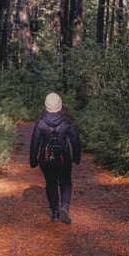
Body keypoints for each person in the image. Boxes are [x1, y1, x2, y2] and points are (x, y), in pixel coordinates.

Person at [30, 92, 81, 224]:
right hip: (64, 158)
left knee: (51, 184)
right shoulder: (67, 121)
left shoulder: (41, 122)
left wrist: (33, 160)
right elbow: (75, 140)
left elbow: (35, 143)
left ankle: (55, 213)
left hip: (46, 160)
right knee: (66, 182)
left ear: (46, 105)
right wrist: (76, 157)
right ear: (60, 105)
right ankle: (64, 207)